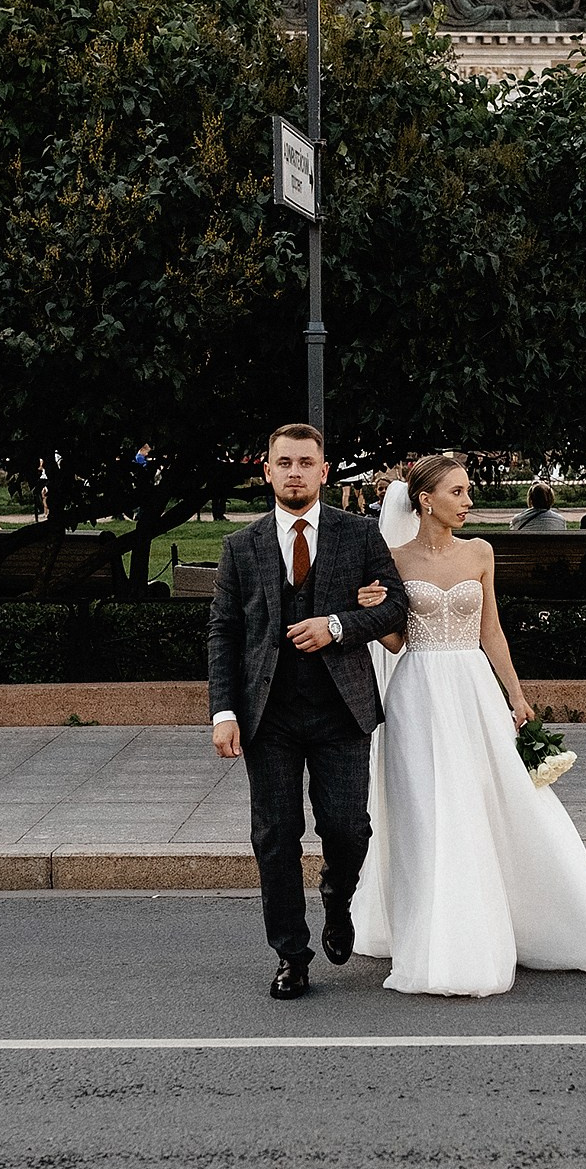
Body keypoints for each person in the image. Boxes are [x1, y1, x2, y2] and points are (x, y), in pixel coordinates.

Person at [350, 451, 586, 997]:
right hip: (416, 692)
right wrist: (372, 613)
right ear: (425, 500)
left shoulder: (480, 552)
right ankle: (439, 937)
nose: (470, 501)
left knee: (497, 800)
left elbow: (492, 632)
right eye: (458, 492)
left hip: (474, 690)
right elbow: (396, 641)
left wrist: (516, 695)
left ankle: (540, 921)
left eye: (468, 491)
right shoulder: (391, 560)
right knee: (429, 809)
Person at [208, 422, 408, 998]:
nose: (295, 471)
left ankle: (338, 897)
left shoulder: (359, 534)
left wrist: (338, 626)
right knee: (275, 835)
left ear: (325, 471)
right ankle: (291, 955)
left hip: (340, 710)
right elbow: (224, 633)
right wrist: (223, 712)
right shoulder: (240, 546)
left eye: (306, 462)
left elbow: (397, 604)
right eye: (284, 462)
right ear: (267, 471)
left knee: (349, 828)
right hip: (266, 714)